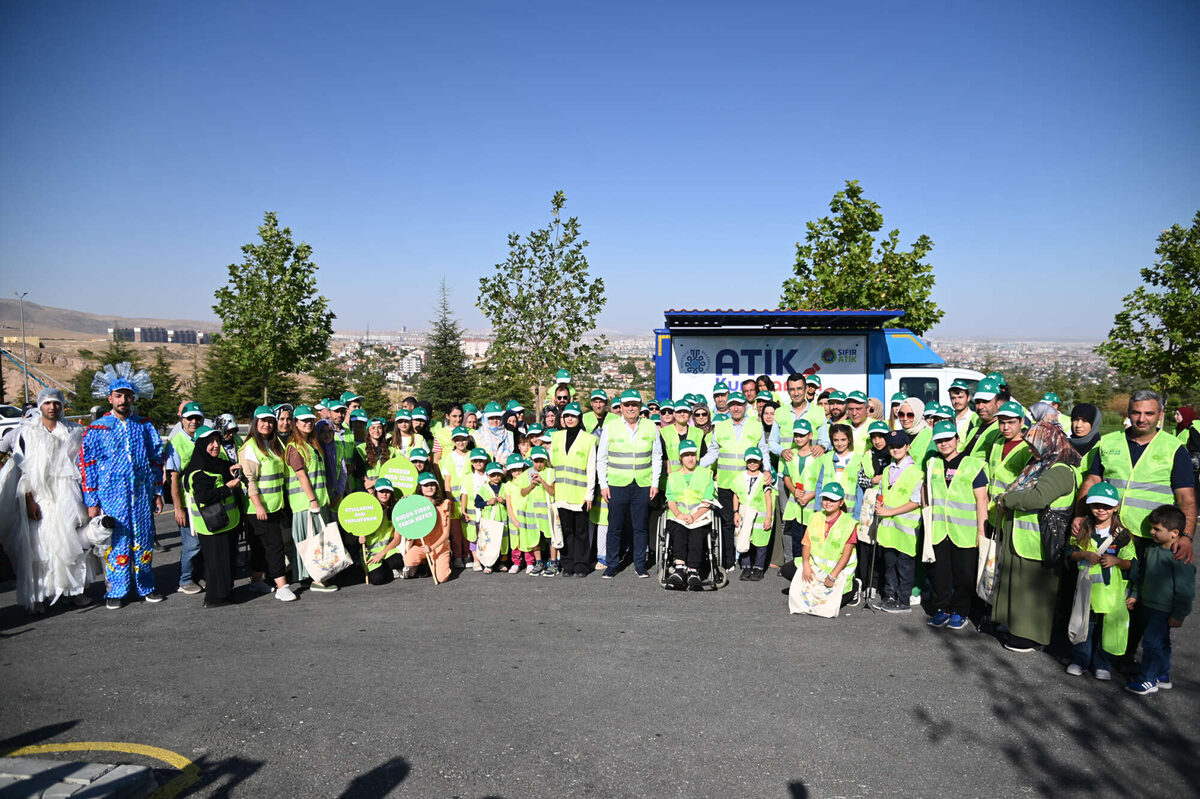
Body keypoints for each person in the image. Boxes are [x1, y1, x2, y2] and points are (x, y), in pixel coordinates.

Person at [78, 362, 165, 609]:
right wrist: (92, 501)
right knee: (116, 542)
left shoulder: (144, 425)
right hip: (111, 495)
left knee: (144, 540)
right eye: (119, 395)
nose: (123, 400)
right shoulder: (97, 429)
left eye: (127, 395)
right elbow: (88, 465)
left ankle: (146, 585)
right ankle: (116, 590)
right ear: (110, 398)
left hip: (141, 495)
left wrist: (157, 492)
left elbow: (156, 459)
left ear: (133, 397)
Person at [0, 387, 92, 613]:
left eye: (56, 403)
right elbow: (22, 468)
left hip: (67, 494)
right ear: (40, 405)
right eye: (48, 403)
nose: (52, 407)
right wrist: (29, 500)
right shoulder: (25, 432)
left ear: (62, 406)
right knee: (40, 546)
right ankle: (39, 595)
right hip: (39, 497)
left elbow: (83, 462)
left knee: (72, 542)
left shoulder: (73, 430)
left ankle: (73, 592)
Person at [994, 420, 1081, 652]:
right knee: (1018, 584)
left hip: (1038, 540)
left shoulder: (1060, 470)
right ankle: (1016, 626)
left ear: (1049, 443)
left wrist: (1007, 500)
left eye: (1034, 444)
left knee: (1034, 589)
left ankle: (1029, 635)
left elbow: (1037, 498)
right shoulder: (1042, 464)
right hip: (1023, 536)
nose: (1030, 450)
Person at [1066, 482, 1134, 680]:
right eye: (1096, 505)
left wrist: (1118, 561)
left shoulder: (1122, 535)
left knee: (1109, 630)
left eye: (1106, 506)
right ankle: (1080, 660)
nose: (1101, 510)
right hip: (1087, 592)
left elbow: (1132, 564)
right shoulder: (1083, 530)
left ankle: (1103, 663)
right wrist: (1083, 554)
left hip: (1111, 595)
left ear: (1116, 507)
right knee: (1084, 627)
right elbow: (1070, 554)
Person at [925, 421, 989, 631]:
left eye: (948, 439)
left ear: (957, 439)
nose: (944, 443)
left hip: (965, 531)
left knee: (964, 574)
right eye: (940, 440)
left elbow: (981, 500)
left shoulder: (973, 464)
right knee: (941, 573)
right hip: (940, 529)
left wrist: (982, 530)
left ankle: (960, 611)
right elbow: (927, 494)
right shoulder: (932, 464)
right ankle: (941, 609)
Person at [1126, 505, 1195, 695]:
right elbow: (1143, 575)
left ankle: (1147, 679)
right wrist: (1135, 594)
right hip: (1148, 604)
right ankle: (1162, 674)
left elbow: (1186, 590)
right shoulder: (1151, 550)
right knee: (1161, 642)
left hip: (1164, 609)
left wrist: (1179, 615)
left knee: (1151, 643)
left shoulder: (1179, 557)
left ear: (1175, 533)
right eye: (1152, 528)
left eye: (1157, 529)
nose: (1151, 532)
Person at [598, 390, 662, 578]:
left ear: (640, 406)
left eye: (634, 404)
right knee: (615, 526)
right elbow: (601, 458)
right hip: (617, 484)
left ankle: (640, 564)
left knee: (640, 526)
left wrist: (654, 483)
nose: (631, 408)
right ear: (622, 407)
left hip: (642, 483)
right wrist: (603, 484)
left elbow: (656, 456)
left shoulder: (650, 427)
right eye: (627, 405)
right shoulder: (611, 427)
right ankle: (612, 564)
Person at [700, 391, 766, 570]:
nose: (736, 408)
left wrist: (767, 470)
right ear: (728, 407)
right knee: (728, 524)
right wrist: (697, 466)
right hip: (726, 483)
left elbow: (763, 450)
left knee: (749, 522)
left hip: (749, 484)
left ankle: (749, 561)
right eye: (733, 405)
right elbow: (713, 452)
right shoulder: (720, 427)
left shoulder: (755, 425)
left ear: (745, 406)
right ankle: (729, 561)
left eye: (739, 404)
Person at [239, 405, 296, 602]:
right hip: (259, 508)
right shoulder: (251, 447)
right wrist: (258, 505)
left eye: (270, 421)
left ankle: (256, 581)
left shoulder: (274, 444)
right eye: (263, 421)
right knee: (275, 546)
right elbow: (249, 480)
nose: (267, 424)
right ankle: (282, 585)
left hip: (275, 505)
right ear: (255, 423)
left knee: (260, 547)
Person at [184, 426, 243, 608]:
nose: (215, 445)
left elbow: (223, 470)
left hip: (227, 523)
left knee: (227, 561)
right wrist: (228, 488)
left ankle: (226, 593)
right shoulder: (199, 470)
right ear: (202, 445)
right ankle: (214, 598)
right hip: (212, 526)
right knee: (217, 564)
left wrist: (232, 469)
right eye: (210, 442)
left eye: (217, 441)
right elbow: (204, 497)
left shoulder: (216, 462)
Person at [284, 405, 336, 592]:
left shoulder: (311, 444)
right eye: (303, 420)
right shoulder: (295, 447)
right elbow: (301, 476)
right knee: (313, 542)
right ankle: (317, 579)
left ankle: (312, 575)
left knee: (317, 540)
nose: (308, 423)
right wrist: (312, 500)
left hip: (318, 501)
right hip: (307, 504)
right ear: (295, 423)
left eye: (310, 420)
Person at [872, 431, 924, 614]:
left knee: (904, 567)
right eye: (892, 446)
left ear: (908, 447)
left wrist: (890, 511)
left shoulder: (916, 472)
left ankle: (903, 600)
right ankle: (890, 597)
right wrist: (879, 503)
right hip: (888, 530)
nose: (895, 450)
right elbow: (883, 493)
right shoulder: (887, 470)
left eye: (899, 446)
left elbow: (916, 501)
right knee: (889, 565)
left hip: (906, 530)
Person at [788, 483, 858, 613]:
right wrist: (806, 566)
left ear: (841, 502)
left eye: (833, 500)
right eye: (825, 498)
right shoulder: (815, 517)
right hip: (817, 568)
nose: (828, 502)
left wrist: (832, 577)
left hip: (837, 572)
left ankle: (854, 588)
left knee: (830, 603)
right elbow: (807, 543)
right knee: (787, 570)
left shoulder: (849, 523)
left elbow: (846, 555)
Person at [165, 401, 206, 596]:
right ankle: (185, 579)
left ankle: (199, 575)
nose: (194, 421)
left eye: (197, 418)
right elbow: (173, 478)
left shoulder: (202, 438)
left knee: (204, 542)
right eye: (190, 418)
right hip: (188, 504)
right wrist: (177, 508)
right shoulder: (176, 443)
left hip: (205, 501)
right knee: (191, 544)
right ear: (182, 420)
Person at [552, 402, 597, 578]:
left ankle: (581, 565)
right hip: (561, 494)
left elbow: (591, 469)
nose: (570, 419)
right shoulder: (556, 437)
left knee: (581, 532)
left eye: (573, 416)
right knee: (566, 531)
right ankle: (567, 564)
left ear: (579, 418)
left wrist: (590, 494)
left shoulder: (588, 439)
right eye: (567, 416)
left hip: (580, 496)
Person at [663, 438, 715, 590]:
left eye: (692, 454)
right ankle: (679, 568)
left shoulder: (706, 474)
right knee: (679, 530)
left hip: (699, 516)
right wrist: (679, 514)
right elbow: (670, 500)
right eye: (686, 455)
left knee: (696, 533)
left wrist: (694, 516)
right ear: (681, 457)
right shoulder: (672, 477)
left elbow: (707, 501)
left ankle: (693, 570)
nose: (690, 458)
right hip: (678, 516)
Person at [401, 472, 452, 582]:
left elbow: (446, 534)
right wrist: (404, 503)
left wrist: (431, 548)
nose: (430, 488)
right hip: (421, 545)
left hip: (439, 546)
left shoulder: (444, 505)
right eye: (426, 485)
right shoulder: (414, 504)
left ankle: (445, 559)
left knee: (442, 578)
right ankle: (424, 564)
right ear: (420, 487)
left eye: (432, 484)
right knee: (408, 560)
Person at [732, 447, 774, 580]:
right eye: (750, 461)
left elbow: (768, 498)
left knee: (761, 543)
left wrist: (768, 517)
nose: (752, 463)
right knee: (744, 539)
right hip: (744, 512)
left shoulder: (764, 478)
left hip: (760, 516)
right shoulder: (740, 477)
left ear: (760, 462)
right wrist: (736, 513)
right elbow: (736, 495)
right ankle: (745, 567)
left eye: (755, 461)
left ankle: (758, 568)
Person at [780, 421, 815, 562]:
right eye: (796, 435)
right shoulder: (791, 455)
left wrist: (809, 496)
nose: (798, 438)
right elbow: (786, 477)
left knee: (811, 543)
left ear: (810, 435)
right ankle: (797, 575)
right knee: (797, 544)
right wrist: (794, 490)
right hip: (796, 508)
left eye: (802, 435)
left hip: (813, 509)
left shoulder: (819, 456)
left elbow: (821, 482)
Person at [962, 378, 1003, 458]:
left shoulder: (1001, 429)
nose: (980, 406)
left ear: (998, 403)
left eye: (985, 401)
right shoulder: (976, 425)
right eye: (977, 402)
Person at [1068, 404, 1103, 469]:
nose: (1078, 425)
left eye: (1084, 421)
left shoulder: (1101, 448)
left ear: (1094, 423)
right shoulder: (1063, 446)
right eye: (1076, 420)